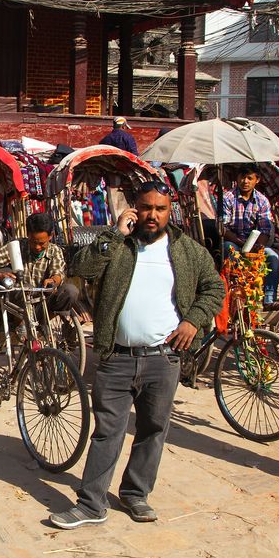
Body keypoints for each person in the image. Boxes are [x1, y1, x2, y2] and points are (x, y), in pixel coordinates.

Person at [51, 181, 224, 528]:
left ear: (169, 210)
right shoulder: (118, 246)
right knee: (107, 431)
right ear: (134, 208)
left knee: (153, 429)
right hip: (116, 357)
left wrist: (193, 320)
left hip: (164, 358)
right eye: (146, 207)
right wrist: (114, 233)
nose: (152, 215)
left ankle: (135, 494)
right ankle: (91, 504)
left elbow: (214, 287)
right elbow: (81, 268)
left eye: (160, 209)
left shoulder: (188, 251)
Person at [0, 212, 79, 313]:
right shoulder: (16, 247)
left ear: (50, 236)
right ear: (28, 234)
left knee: (71, 291)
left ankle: (43, 321)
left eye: (41, 243)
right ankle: (23, 321)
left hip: (43, 303)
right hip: (20, 304)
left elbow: (58, 273)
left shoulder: (55, 251)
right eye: (33, 242)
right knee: (26, 288)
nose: (37, 247)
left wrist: (53, 281)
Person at [220, 167, 279, 305]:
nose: (245, 181)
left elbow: (265, 228)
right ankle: (235, 292)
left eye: (249, 178)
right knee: (229, 250)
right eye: (242, 177)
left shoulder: (262, 201)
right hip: (234, 240)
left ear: (257, 180)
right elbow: (223, 228)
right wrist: (241, 243)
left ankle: (269, 298)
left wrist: (258, 246)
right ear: (237, 178)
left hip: (254, 242)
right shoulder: (228, 198)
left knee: (273, 257)